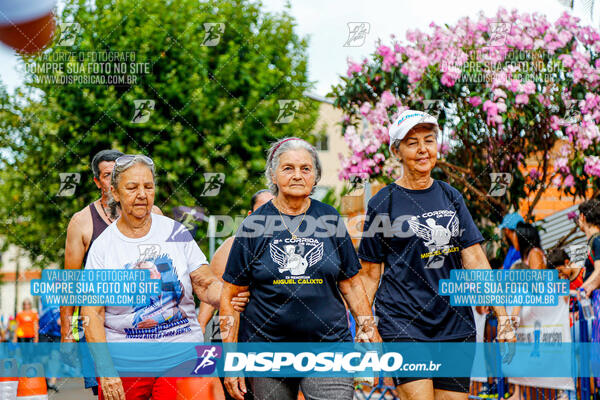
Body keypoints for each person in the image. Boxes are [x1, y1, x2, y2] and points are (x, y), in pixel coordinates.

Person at [357, 110, 515, 400]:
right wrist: (366, 325)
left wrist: (502, 316)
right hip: (404, 323)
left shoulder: (451, 195)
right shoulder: (383, 203)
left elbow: (476, 260)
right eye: (412, 142)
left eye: (429, 140)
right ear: (397, 151)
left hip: (455, 323)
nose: (422, 149)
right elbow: (369, 273)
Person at [220, 138, 381, 400]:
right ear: (273, 174)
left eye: (306, 169)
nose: (297, 175)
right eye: (288, 168)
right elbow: (229, 296)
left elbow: (350, 283)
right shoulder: (253, 226)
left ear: (316, 176)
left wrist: (368, 328)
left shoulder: (329, 219)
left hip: (329, 349)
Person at [81, 154, 246, 400]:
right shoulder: (103, 247)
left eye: (148, 186)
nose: (142, 194)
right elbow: (92, 313)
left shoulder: (175, 231)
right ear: (115, 193)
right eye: (132, 187)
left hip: (182, 354)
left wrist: (226, 294)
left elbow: (203, 282)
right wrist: (105, 368)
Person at [63, 149, 163, 395]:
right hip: (100, 324)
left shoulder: (154, 214)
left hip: (145, 322)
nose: (112, 180)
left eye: (117, 174)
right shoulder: (82, 222)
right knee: (110, 391)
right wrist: (68, 333)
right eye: (107, 175)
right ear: (98, 181)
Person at [197, 189, 273, 400]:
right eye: (262, 212)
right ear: (250, 216)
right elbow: (207, 307)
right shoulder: (233, 245)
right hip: (233, 339)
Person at [38, 300, 61, 392]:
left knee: (56, 357)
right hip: (45, 332)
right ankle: (44, 381)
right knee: (44, 359)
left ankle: (52, 382)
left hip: (57, 333)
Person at [13, 299, 38, 365]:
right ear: (23, 305)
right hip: (22, 336)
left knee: (30, 352)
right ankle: (24, 366)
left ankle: (29, 365)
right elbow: (16, 326)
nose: (26, 305)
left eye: (28, 304)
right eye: (25, 304)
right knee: (23, 352)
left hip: (31, 336)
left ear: (30, 305)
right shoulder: (20, 314)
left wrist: (36, 338)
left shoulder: (34, 314)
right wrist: (14, 338)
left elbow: (35, 326)